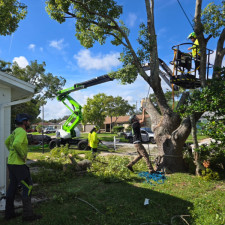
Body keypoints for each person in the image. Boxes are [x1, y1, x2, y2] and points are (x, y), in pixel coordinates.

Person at [4, 113, 42, 221]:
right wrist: (22, 155)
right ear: (24, 122)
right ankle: (28, 216)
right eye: (28, 121)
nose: (29, 123)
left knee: (12, 187)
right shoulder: (21, 132)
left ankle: (9, 214)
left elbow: (7, 142)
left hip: (11, 164)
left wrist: (12, 153)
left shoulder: (14, 131)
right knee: (28, 187)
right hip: (18, 165)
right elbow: (16, 144)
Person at [127, 108, 155, 174]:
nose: (137, 118)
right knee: (146, 155)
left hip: (136, 143)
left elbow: (142, 123)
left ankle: (130, 165)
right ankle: (151, 169)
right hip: (137, 143)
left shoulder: (135, 125)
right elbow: (143, 120)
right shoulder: (135, 124)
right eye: (135, 117)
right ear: (133, 120)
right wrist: (143, 112)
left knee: (140, 155)